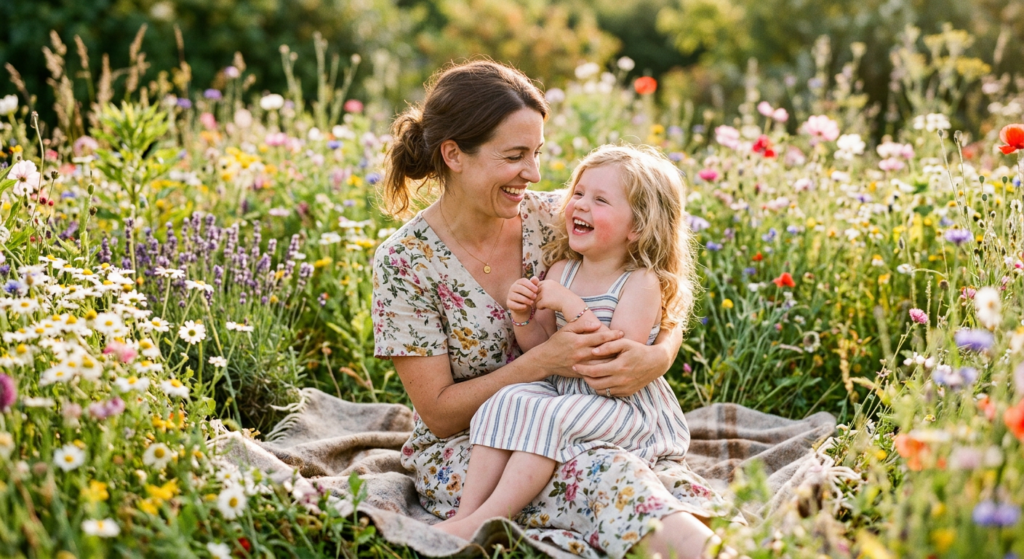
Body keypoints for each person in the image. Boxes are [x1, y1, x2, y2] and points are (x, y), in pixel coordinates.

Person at [372, 60, 724, 559]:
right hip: (474, 451)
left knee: (605, 466)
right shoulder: (405, 262)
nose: (534, 174)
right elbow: (440, 413)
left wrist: (658, 356)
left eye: (537, 153)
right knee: (608, 474)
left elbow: (654, 279)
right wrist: (542, 362)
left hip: (584, 416)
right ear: (454, 154)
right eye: (515, 156)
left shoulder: (556, 216)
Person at [433, 145, 714, 558]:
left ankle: (492, 518)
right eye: (579, 193)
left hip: (620, 405)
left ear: (636, 227)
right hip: (566, 393)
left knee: (549, 416)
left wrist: (566, 303)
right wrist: (523, 315)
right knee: (506, 398)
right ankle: (467, 511)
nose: (580, 204)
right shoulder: (565, 268)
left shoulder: (640, 283)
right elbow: (543, 347)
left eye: (600, 200)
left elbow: (612, 359)